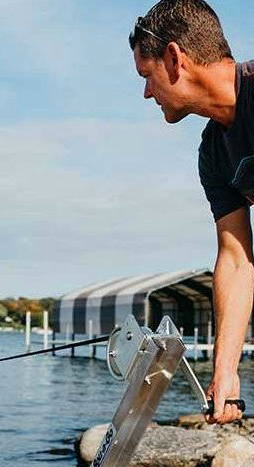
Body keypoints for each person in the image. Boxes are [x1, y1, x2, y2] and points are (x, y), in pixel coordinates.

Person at [129, 0, 252, 424]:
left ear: (174, 58)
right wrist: (225, 370)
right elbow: (236, 259)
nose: (147, 93)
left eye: (147, 76)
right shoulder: (213, 154)